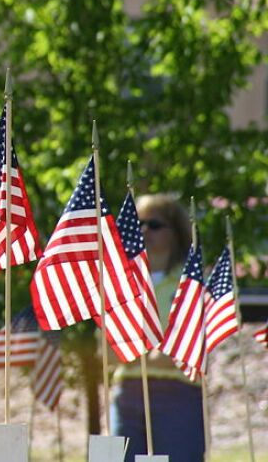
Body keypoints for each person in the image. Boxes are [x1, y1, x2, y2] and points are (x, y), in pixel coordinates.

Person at [110, 193, 204, 461]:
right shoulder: (123, 282)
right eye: (139, 223)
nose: (144, 230)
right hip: (127, 391)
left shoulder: (192, 281)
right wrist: (147, 354)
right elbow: (106, 345)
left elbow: (185, 348)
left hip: (176, 393)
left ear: (175, 232)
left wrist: (137, 353)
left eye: (154, 224)